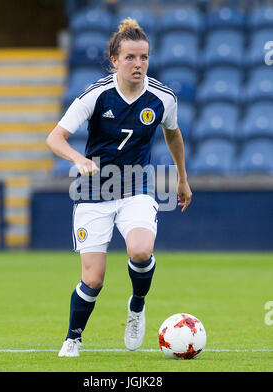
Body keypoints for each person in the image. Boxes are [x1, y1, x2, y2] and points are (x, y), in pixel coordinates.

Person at [46, 18, 192, 357]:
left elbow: (173, 134)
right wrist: (78, 160)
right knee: (93, 280)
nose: (138, 64)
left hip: (136, 187)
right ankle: (73, 338)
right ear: (115, 60)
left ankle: (137, 305)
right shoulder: (96, 95)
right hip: (94, 191)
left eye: (144, 57)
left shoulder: (163, 98)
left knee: (141, 251)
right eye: (130, 57)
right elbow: (55, 138)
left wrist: (182, 178)